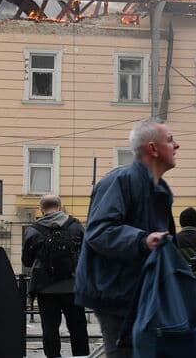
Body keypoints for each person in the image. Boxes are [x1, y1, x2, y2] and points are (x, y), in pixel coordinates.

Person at [74, 118, 179, 358]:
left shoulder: (160, 189)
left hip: (141, 292)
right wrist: (142, 240)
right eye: (170, 140)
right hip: (116, 294)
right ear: (153, 148)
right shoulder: (120, 181)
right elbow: (98, 231)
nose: (177, 146)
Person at [23, 194, 90, 358]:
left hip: (45, 289)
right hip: (72, 286)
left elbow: (26, 261)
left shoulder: (33, 230)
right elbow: (86, 253)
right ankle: (81, 356)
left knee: (50, 327)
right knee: (78, 326)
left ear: (41, 209)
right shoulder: (75, 226)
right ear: (60, 207)